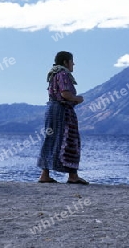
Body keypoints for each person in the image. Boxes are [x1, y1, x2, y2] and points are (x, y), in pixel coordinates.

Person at [37, 51, 89, 184]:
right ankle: (73, 176)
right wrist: (77, 99)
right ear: (66, 62)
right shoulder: (63, 74)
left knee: (51, 140)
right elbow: (65, 94)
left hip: (52, 109)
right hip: (62, 111)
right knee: (70, 139)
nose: (74, 64)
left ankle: (45, 174)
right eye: (72, 61)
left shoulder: (54, 74)